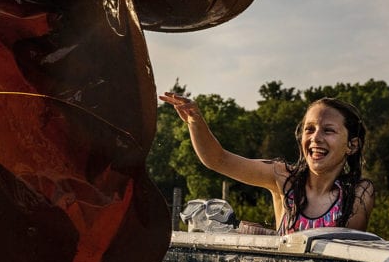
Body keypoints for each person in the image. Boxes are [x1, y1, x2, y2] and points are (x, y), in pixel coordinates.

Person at [159, 93, 375, 234]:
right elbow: (218, 160)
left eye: (328, 130)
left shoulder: (358, 193)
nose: (316, 138)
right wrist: (195, 121)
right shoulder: (284, 179)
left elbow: (348, 250)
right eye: (309, 129)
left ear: (352, 145)